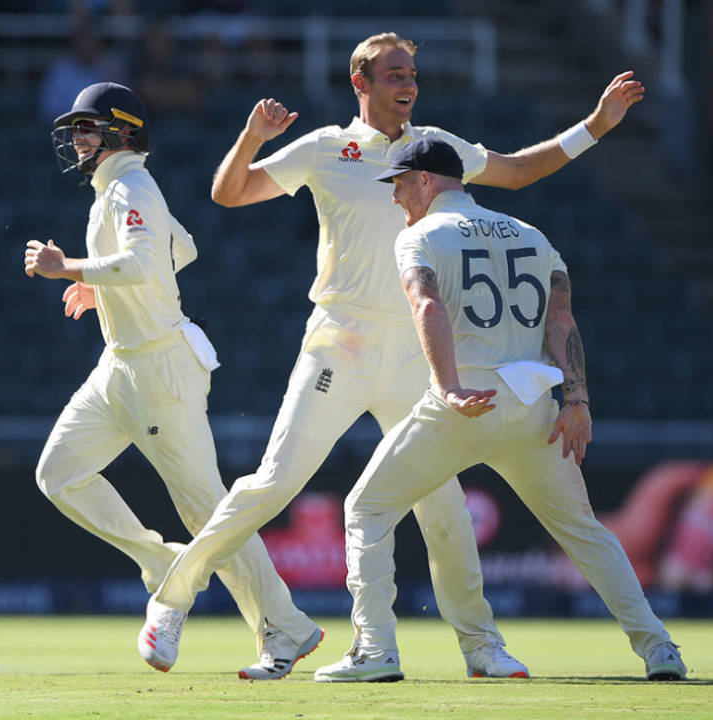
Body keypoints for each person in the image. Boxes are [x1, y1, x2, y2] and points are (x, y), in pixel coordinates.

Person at [142, 31, 645, 680]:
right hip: (340, 344)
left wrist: (595, 126)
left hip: (415, 355)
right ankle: (173, 600)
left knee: (445, 508)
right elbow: (230, 193)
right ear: (362, 84)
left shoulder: (437, 148)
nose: (408, 84)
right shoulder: (327, 147)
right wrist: (252, 137)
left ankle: (481, 648)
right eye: (393, 74)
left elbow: (519, 169)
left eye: (412, 73)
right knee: (271, 484)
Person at [321, 138, 686, 681]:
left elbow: (427, 304)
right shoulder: (533, 236)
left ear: (425, 180)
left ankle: (375, 651)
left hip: (465, 406)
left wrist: (446, 387)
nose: (396, 197)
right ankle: (659, 648)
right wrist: (578, 399)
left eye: (399, 183)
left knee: (367, 510)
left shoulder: (419, 236)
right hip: (533, 406)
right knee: (584, 531)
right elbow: (560, 321)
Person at [26, 82, 322, 680]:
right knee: (58, 474)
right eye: (78, 128)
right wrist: (98, 285)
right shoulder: (117, 189)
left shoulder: (130, 185)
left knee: (209, 511)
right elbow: (179, 249)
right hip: (119, 366)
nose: (78, 138)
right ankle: (164, 565)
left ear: (124, 133)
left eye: (89, 127)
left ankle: (284, 626)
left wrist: (70, 270)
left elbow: (143, 261)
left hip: (160, 367)